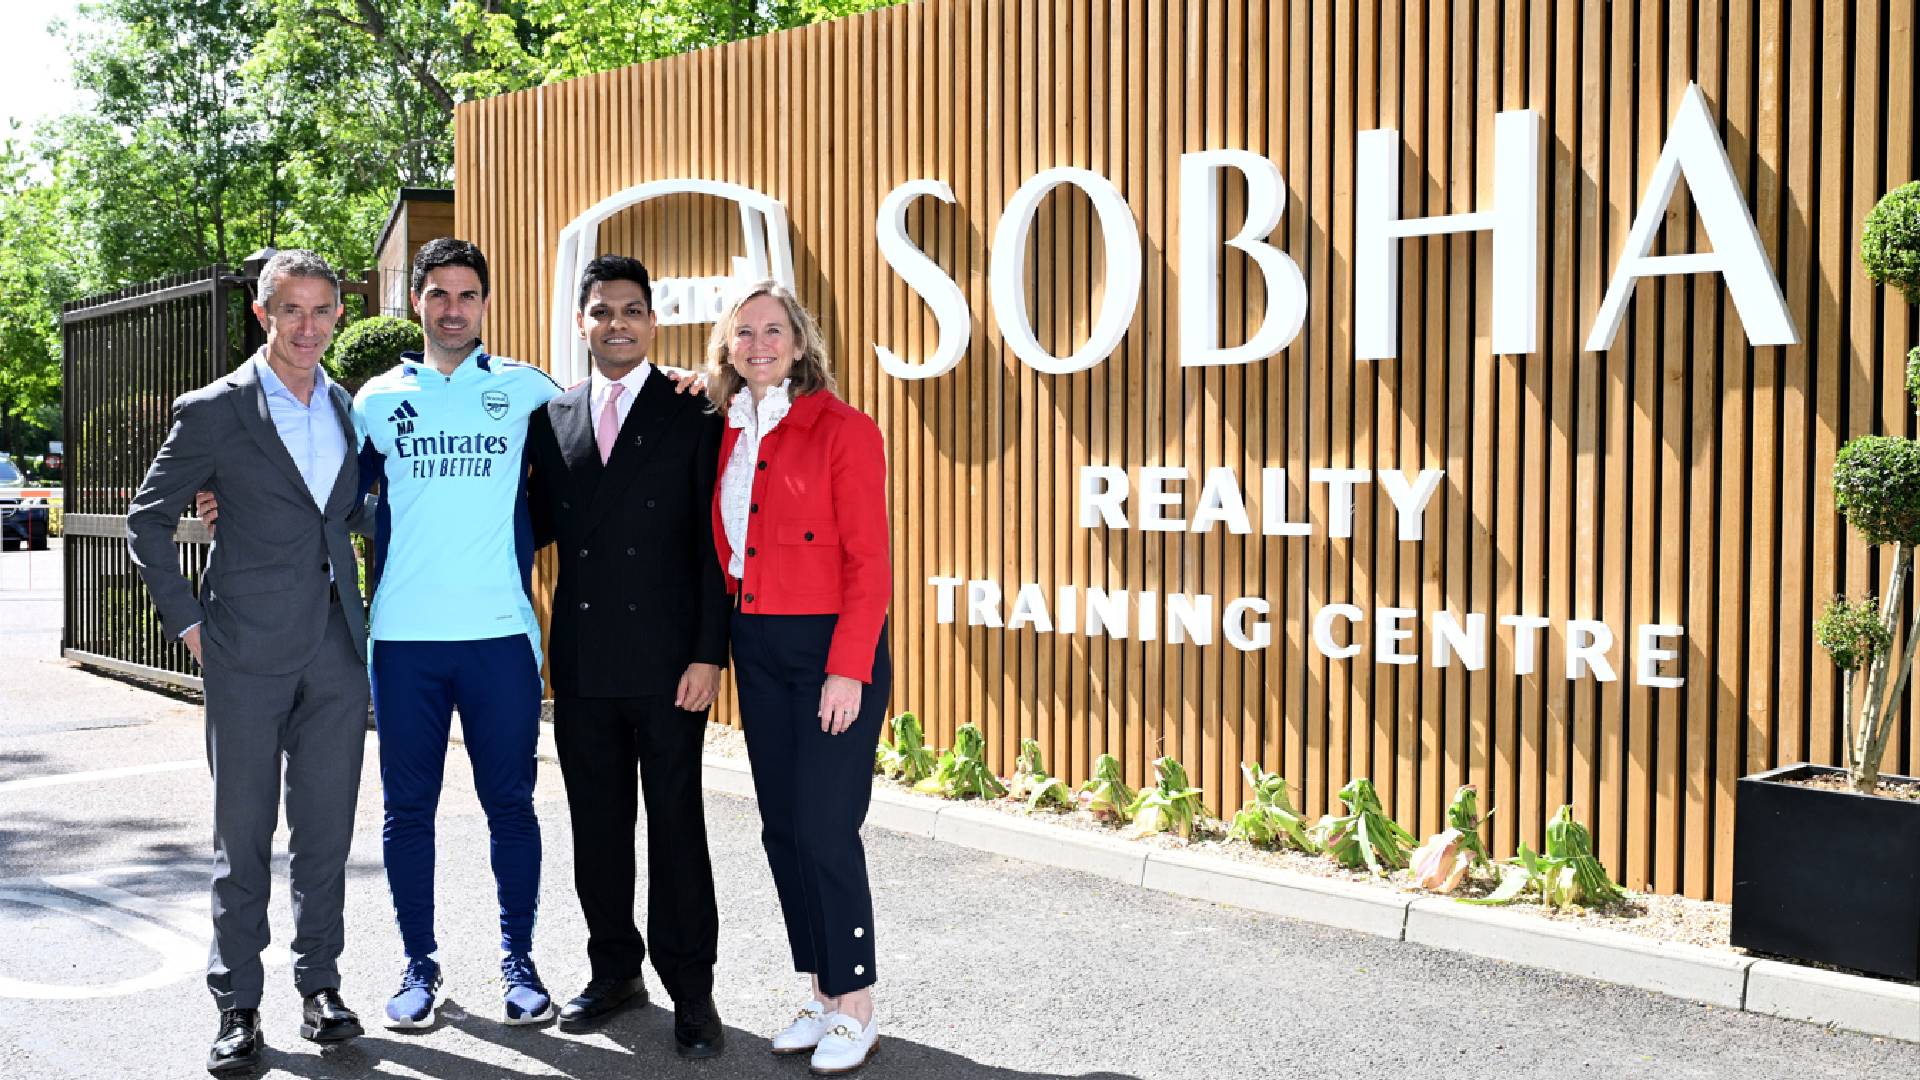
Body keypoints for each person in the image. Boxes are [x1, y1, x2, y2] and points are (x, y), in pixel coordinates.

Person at [127, 250, 372, 1075]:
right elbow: (146, 520)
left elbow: (341, 512)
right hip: (243, 652)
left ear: (337, 316)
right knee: (243, 836)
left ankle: (322, 986)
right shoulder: (215, 410)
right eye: (291, 311)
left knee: (327, 834)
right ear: (264, 315)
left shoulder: (344, 404)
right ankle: (238, 1003)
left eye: (321, 311)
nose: (308, 327)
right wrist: (189, 625)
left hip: (337, 652)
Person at [352, 237, 562, 1030]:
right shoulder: (373, 400)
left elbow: (596, 456)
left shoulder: (528, 389)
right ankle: (418, 967)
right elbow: (328, 494)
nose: (452, 308)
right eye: (438, 293)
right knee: (408, 811)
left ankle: (520, 962)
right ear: (417, 301)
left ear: (484, 302)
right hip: (404, 641)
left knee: (511, 806)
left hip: (501, 639)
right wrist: (224, 493)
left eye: (467, 294)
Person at [524, 254, 731, 1056]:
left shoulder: (695, 410)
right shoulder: (553, 417)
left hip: (671, 660)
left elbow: (715, 546)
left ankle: (693, 990)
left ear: (654, 321)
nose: (618, 323)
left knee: (678, 827)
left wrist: (709, 653)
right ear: (581, 322)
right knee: (597, 827)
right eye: (603, 310)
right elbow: (523, 523)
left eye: (633, 310)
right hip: (581, 659)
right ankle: (614, 970)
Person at [705, 281, 891, 1075]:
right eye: (743, 332)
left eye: (773, 330)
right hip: (759, 644)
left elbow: (871, 562)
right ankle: (819, 996)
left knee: (823, 826)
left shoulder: (844, 429)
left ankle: (857, 1005)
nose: (759, 344)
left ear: (801, 341)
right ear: (726, 346)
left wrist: (848, 670)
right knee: (781, 828)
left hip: (830, 652)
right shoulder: (724, 426)